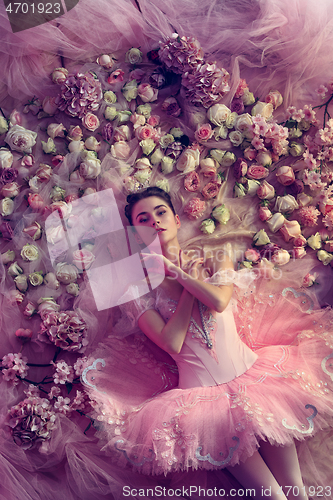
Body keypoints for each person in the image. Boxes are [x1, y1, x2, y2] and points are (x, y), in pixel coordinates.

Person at [83, 187, 333, 500]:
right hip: (203, 407)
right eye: (143, 219)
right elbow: (171, 343)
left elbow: (218, 300)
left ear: (176, 218)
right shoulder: (137, 292)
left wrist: (180, 273)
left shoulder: (216, 257)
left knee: (296, 490)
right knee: (272, 496)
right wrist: (180, 278)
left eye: (161, 213)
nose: (155, 222)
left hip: (260, 382)